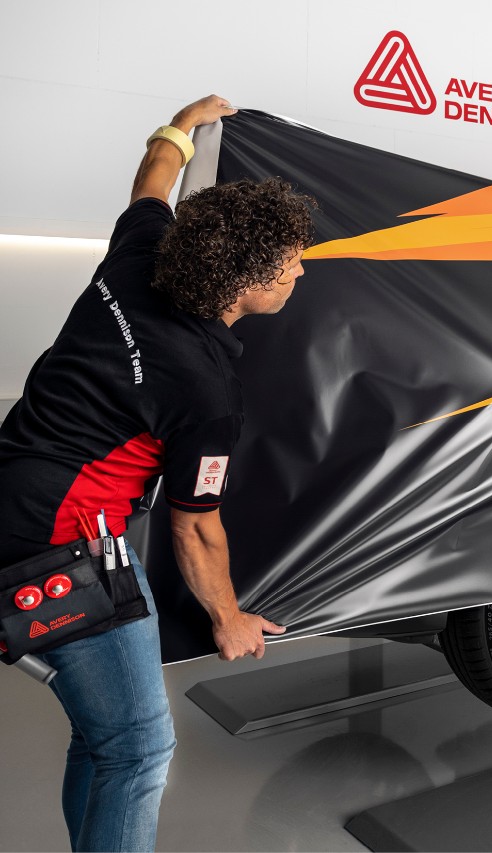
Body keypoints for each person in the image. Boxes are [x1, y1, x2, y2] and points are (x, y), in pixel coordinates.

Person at [0, 94, 314, 850]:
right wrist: (229, 618)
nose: (301, 268)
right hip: (61, 550)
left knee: (104, 739)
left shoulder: (141, 251)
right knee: (139, 748)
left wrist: (182, 122)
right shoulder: (206, 390)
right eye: (289, 263)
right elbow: (195, 527)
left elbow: (154, 176)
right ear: (245, 283)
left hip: (12, 491)